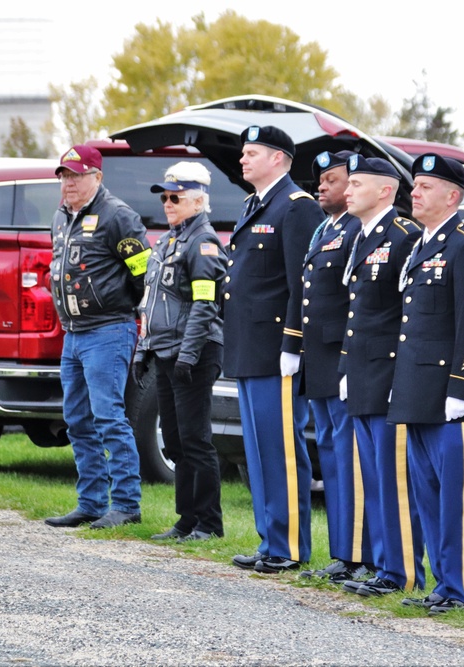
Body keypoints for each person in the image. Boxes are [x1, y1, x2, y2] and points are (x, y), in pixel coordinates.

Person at [387, 154, 464, 615]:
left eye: (426, 186)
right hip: (417, 390)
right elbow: (413, 325)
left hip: (452, 395)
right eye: (415, 185)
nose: (415, 192)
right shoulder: (422, 243)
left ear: (452, 196)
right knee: (429, 495)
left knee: (459, 497)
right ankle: (443, 583)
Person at [223, 126, 325, 573]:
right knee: (258, 449)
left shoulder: (297, 207)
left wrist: (293, 343)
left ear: (279, 159)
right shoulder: (255, 204)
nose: (242, 160)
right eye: (243, 153)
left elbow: (302, 283)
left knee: (281, 447)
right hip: (249, 347)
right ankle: (270, 540)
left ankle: (290, 545)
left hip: (276, 350)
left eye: (252, 153)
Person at [45, 144, 151, 529]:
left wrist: (126, 313)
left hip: (108, 331)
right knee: (77, 419)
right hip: (73, 335)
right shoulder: (60, 217)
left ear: (97, 177)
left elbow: (144, 275)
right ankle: (90, 502)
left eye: (76, 175)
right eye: (63, 175)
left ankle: (126, 505)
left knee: (108, 416)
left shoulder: (118, 216)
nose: (68, 183)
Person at [337, 155, 425, 598]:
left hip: (388, 373)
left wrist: (399, 375)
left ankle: (403, 571)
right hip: (363, 372)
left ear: (385, 190)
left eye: (356, 183)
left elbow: (409, 314)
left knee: (394, 480)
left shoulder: (403, 236)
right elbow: (359, 313)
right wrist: (346, 368)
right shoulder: (363, 236)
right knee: (373, 477)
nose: (346, 191)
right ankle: (383, 564)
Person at [135, 162, 227, 543]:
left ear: (198, 200)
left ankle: (208, 523)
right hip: (166, 352)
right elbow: (150, 300)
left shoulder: (203, 242)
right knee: (173, 440)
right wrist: (144, 349)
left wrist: (189, 355)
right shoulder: (168, 240)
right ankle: (186, 520)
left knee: (194, 439)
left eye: (176, 197)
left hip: (195, 352)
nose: (168, 203)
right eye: (165, 196)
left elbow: (206, 305)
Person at [298, 150, 374, 584]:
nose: (322, 186)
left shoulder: (356, 230)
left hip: (341, 356)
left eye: (332, 179)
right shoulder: (326, 228)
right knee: (331, 454)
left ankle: (361, 553)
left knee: (350, 457)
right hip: (320, 356)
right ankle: (342, 553)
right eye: (321, 180)